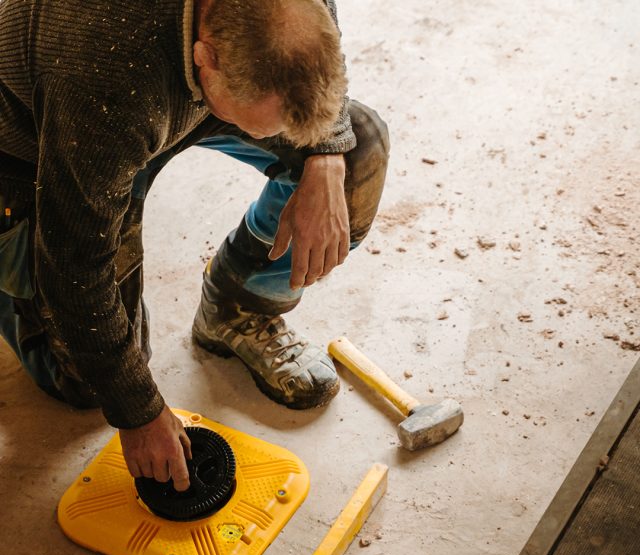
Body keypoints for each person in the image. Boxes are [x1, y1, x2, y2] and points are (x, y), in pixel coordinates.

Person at [0, 0, 389, 491]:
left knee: (358, 150)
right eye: (258, 126)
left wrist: (327, 152)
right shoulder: (102, 71)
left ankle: (236, 306)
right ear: (207, 58)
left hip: (153, 99)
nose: (269, 140)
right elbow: (75, 268)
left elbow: (317, 27)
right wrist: (139, 415)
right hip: (32, 141)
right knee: (85, 380)